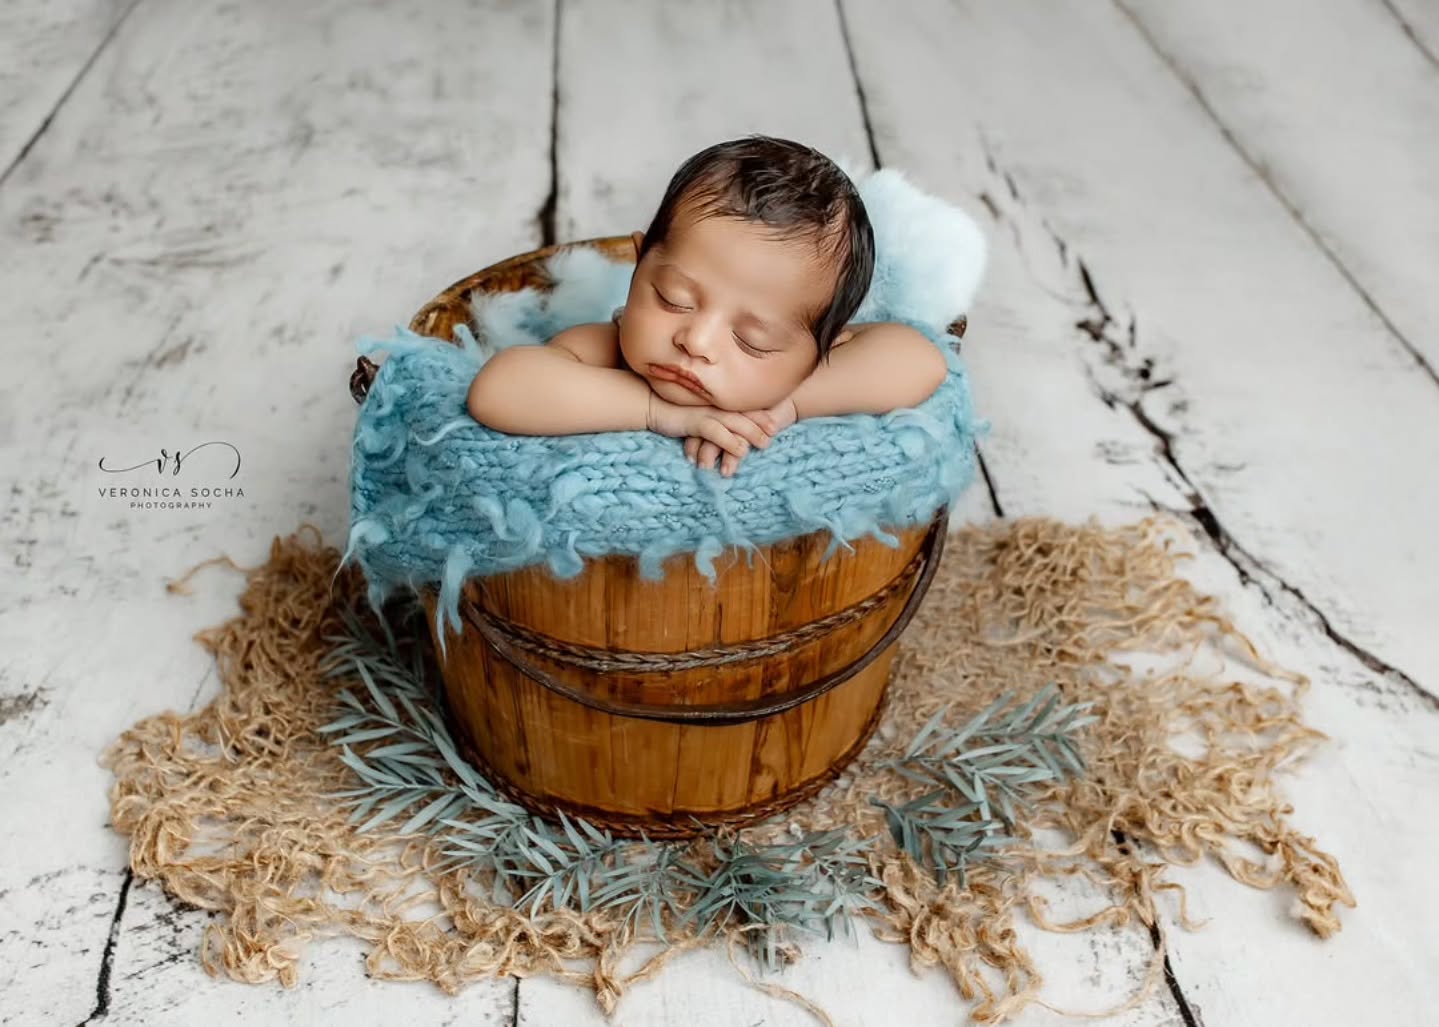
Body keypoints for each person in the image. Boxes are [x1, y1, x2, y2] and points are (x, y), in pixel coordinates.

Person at [466, 135, 948, 477]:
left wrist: (790, 405)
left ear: (821, 351)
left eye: (751, 340)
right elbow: (498, 390)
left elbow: (921, 360)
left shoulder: (799, 380)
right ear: (639, 265)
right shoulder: (604, 349)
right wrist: (659, 412)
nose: (695, 341)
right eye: (672, 299)